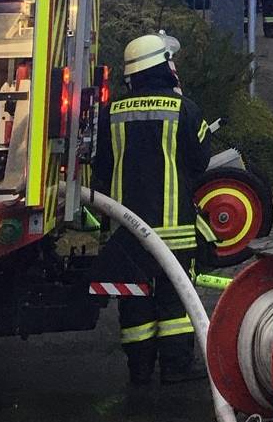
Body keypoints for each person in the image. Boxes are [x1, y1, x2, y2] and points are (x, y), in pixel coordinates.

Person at [93, 31, 212, 386]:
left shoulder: (109, 114)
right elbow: (200, 163)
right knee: (176, 301)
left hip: (126, 234)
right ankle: (176, 368)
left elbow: (100, 169)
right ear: (163, 67)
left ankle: (140, 370)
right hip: (174, 230)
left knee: (134, 302)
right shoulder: (184, 109)